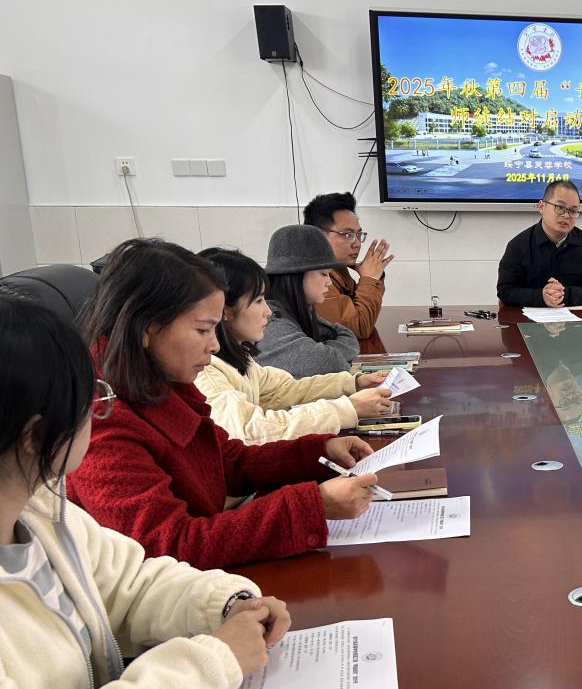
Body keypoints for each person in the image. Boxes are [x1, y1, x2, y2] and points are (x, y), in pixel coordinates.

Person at [0, 295, 291, 689]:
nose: (101, 411)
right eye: (92, 401)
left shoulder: (39, 510)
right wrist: (212, 661)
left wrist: (226, 602)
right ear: (36, 435)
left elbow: (130, 583)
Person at [66, 239, 380, 569]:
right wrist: (313, 506)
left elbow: (226, 461)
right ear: (147, 328)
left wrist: (320, 451)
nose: (215, 346)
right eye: (203, 330)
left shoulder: (159, 379)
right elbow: (168, 544)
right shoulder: (102, 420)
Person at [194, 248, 394, 445]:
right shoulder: (205, 372)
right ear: (224, 310)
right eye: (258, 301)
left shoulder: (240, 356)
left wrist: (353, 384)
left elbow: (284, 389)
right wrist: (348, 408)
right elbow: (248, 431)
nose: (267, 311)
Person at [257, 225, 362, 379]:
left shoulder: (297, 310)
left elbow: (347, 336)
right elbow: (330, 364)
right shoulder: (271, 324)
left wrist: (322, 350)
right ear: (296, 276)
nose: (329, 282)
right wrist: (325, 353)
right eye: (324, 274)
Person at [306, 192, 391, 354]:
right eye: (348, 235)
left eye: (359, 235)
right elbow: (359, 329)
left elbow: (359, 314)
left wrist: (372, 278)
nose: (357, 244)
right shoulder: (313, 274)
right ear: (318, 236)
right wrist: (370, 279)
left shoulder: (337, 268)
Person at [497, 180, 582, 308]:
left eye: (573, 211)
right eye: (560, 208)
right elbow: (505, 291)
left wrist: (563, 294)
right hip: (528, 323)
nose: (566, 215)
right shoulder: (518, 245)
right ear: (542, 207)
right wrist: (541, 296)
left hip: (575, 323)